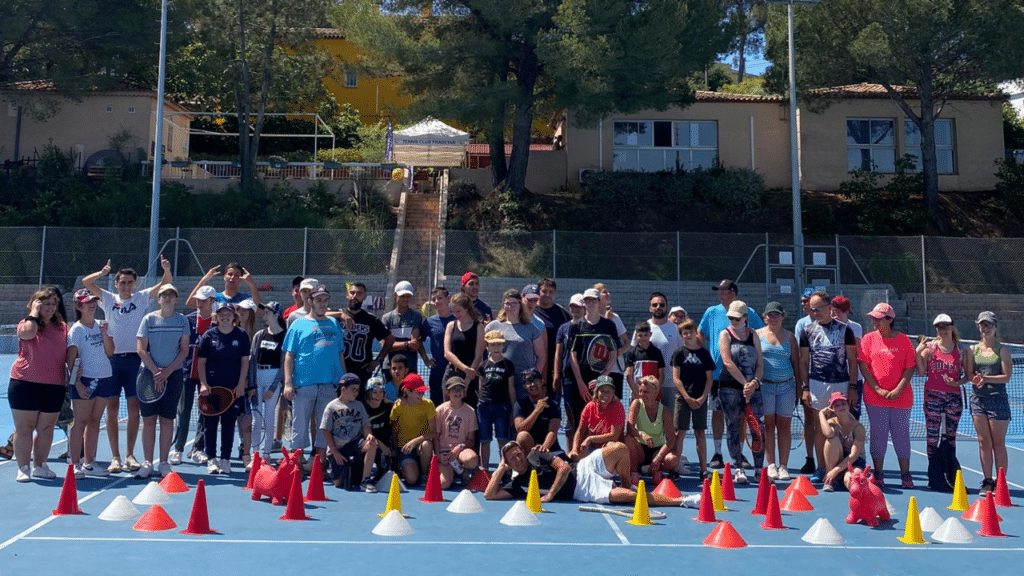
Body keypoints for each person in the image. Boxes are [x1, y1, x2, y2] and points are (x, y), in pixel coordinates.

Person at [82, 256, 172, 474]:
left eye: (129, 282)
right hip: (111, 360)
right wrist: (103, 272)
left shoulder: (141, 298)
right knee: (111, 409)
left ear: (135, 283)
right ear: (116, 283)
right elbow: (87, 283)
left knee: (134, 408)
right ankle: (115, 457)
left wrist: (166, 269)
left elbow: (165, 284)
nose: (125, 286)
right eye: (122, 282)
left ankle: (130, 455)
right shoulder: (108, 298)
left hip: (135, 360)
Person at [485, 440, 693, 507]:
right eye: (513, 458)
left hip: (583, 468)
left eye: (518, 453)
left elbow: (564, 467)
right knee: (632, 498)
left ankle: (625, 481)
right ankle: (681, 501)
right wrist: (502, 468)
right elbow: (489, 495)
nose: (518, 458)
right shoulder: (518, 486)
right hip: (583, 490)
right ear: (509, 463)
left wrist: (550, 495)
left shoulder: (535, 455)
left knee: (620, 448)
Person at [697, 279, 764, 471]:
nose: (720, 293)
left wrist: (753, 381)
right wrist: (705, 355)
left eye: (723, 290)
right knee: (719, 413)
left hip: (747, 379)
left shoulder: (749, 313)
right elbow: (700, 334)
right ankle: (717, 452)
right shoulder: (711, 312)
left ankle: (740, 454)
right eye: (718, 290)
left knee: (743, 417)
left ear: (733, 293)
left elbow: (758, 332)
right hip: (719, 376)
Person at [282, 284, 347, 469]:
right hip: (304, 384)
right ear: (309, 301)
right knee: (300, 426)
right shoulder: (298, 324)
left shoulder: (334, 324)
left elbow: (340, 353)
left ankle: (319, 466)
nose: (322, 304)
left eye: (325, 300)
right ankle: (297, 465)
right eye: (318, 300)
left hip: (329, 384)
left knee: (324, 427)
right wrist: (288, 383)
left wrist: (344, 378)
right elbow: (289, 355)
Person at [9, 287, 68, 482]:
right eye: (45, 304)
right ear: (35, 304)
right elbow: (28, 334)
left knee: (46, 428)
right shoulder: (26, 324)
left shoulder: (62, 328)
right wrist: (34, 314)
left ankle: (40, 465)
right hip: (24, 383)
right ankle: (23, 467)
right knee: (24, 428)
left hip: (54, 385)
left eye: (53, 304)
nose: (50, 308)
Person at [798, 291, 858, 484]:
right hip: (817, 384)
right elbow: (804, 361)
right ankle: (821, 467)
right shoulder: (806, 331)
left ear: (829, 307)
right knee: (819, 428)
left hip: (840, 383)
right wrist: (805, 388)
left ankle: (838, 467)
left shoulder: (845, 330)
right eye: (813, 309)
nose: (815, 312)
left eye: (819, 308)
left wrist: (852, 387)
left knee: (840, 426)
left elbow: (852, 360)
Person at [858, 302, 916, 488]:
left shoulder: (904, 340)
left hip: (902, 398)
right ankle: (879, 473)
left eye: (878, 318)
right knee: (878, 435)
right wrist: (877, 389)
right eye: (873, 318)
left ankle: (905, 474)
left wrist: (898, 390)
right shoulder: (868, 339)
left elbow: (909, 368)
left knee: (901, 436)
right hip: (875, 398)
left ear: (890, 319)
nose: (874, 321)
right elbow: (863, 366)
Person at [135, 284, 190, 478]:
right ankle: (148, 463)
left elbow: (184, 350)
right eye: (163, 295)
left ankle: (164, 463)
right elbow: (141, 349)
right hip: (148, 375)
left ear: (176, 299)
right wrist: (155, 371)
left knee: (167, 420)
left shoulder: (182, 320)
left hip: (173, 376)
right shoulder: (148, 319)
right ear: (158, 299)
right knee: (148, 420)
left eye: (171, 295)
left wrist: (166, 372)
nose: (167, 298)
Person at [65, 289, 115, 478]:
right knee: (80, 422)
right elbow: (71, 360)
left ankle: (90, 462)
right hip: (85, 380)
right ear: (78, 306)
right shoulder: (77, 330)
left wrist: (104, 334)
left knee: (95, 422)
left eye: (93, 301)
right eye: (87, 302)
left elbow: (110, 352)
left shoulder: (102, 325)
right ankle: (74, 464)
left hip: (105, 377)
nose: (92, 304)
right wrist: (77, 384)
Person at [196, 302, 250, 474]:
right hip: (211, 390)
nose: (224, 317)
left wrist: (241, 384)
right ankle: (211, 459)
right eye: (221, 314)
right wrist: (204, 384)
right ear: (216, 316)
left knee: (228, 425)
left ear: (234, 317)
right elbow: (201, 362)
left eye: (228, 314)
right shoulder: (208, 336)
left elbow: (244, 361)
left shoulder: (241, 335)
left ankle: (225, 459)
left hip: (233, 390)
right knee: (210, 425)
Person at [564, 288, 624, 439]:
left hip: (600, 382)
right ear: (583, 303)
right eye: (587, 300)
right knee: (579, 422)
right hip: (579, 382)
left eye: (594, 300)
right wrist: (579, 382)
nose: (590, 303)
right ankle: (578, 458)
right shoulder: (575, 326)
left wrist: (602, 378)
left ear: (599, 302)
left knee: (602, 420)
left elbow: (613, 353)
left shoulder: (609, 326)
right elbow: (572, 354)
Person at [718, 300, 764, 484]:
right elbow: (727, 362)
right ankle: (738, 468)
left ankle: (759, 469)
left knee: (758, 428)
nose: (733, 321)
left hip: (753, 389)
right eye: (730, 317)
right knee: (734, 427)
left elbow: (760, 363)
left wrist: (754, 383)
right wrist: (745, 383)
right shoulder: (725, 334)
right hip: (730, 388)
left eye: (737, 318)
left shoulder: (753, 335)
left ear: (745, 318)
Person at [968, 311, 1012, 494]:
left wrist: (986, 379)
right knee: (983, 441)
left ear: (995, 327)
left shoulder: (1002, 350)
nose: (985, 328)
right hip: (978, 400)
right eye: (982, 325)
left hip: (998, 400)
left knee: (998, 443)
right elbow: (969, 374)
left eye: (989, 325)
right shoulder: (972, 350)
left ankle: (1000, 482)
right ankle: (987, 481)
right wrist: (975, 379)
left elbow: (1006, 377)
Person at [756, 301, 799, 481]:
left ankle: (784, 466)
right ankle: (771, 465)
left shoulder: (790, 337)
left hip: (787, 387)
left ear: (783, 316)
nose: (773, 318)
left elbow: (796, 364)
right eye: (770, 315)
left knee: (784, 426)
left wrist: (799, 389)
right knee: (767, 427)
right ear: (764, 317)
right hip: (765, 387)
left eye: (777, 314)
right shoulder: (757, 335)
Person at [916, 314, 968, 464]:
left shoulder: (961, 350)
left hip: (953, 398)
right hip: (933, 397)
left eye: (945, 326)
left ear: (952, 327)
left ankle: (949, 467)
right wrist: (918, 354)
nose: (942, 330)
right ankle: (934, 471)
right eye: (939, 327)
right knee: (932, 437)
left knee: (951, 437)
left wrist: (956, 383)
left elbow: (968, 376)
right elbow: (921, 372)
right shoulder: (930, 348)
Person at [173, 284, 216, 465]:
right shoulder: (186, 320)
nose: (199, 302)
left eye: (204, 299)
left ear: (212, 301)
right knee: (183, 411)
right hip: (187, 373)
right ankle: (178, 449)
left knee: (205, 412)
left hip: (209, 376)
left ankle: (199, 448)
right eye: (198, 298)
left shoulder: (217, 323)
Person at [672, 319, 716, 479]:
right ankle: (675, 468)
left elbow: (709, 378)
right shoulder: (678, 353)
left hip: (700, 399)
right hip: (683, 399)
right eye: (684, 333)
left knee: (700, 433)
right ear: (681, 335)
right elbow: (676, 378)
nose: (688, 335)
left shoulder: (704, 353)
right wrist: (687, 397)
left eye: (690, 332)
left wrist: (703, 397)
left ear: (695, 332)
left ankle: (703, 470)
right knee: (680, 433)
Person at [320, 373, 379, 492]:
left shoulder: (359, 405)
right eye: (353, 389)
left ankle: (365, 480)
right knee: (338, 483)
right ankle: (346, 472)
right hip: (338, 447)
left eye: (357, 390)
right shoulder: (331, 407)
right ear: (343, 389)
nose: (356, 393)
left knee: (372, 444)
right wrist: (335, 452)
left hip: (355, 444)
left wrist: (369, 435)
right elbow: (326, 431)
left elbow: (366, 425)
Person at [485, 288, 544, 400]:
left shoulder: (531, 328)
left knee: (520, 415)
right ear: (503, 305)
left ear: (520, 305)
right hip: (499, 378)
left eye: (514, 303)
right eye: (507, 303)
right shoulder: (492, 327)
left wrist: (533, 378)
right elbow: (483, 352)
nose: (510, 306)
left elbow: (541, 355)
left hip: (522, 381)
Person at [247, 301, 286, 460]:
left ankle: (267, 454)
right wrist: (251, 384)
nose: (264, 314)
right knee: (256, 418)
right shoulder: (259, 335)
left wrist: (273, 388)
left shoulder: (285, 335)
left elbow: (284, 365)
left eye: (268, 311)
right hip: (258, 375)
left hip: (273, 376)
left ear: (276, 314)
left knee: (269, 418)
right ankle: (255, 454)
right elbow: (252, 360)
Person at [626, 375, 679, 482]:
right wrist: (642, 435)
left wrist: (658, 457)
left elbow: (671, 440)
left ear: (656, 393)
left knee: (673, 460)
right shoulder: (636, 404)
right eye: (640, 391)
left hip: (656, 450)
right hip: (639, 450)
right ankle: (635, 471)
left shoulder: (665, 411)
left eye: (646, 392)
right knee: (627, 439)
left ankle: (653, 468)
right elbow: (629, 428)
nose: (641, 395)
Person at [340, 282, 393, 388]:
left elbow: (390, 339)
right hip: (339, 370)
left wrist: (378, 360)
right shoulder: (337, 315)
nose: (354, 296)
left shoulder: (371, 320)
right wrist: (342, 315)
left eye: (359, 293)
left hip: (361, 371)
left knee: (358, 403)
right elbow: (320, 315)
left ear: (364, 296)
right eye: (352, 293)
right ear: (347, 295)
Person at [477, 330, 516, 471]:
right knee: (485, 440)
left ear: (503, 346)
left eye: (499, 344)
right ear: (487, 346)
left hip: (502, 406)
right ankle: (485, 470)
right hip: (485, 406)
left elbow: (511, 388)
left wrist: (513, 409)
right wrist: (480, 403)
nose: (496, 347)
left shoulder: (508, 364)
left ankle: (503, 469)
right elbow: (480, 387)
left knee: (502, 439)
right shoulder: (483, 365)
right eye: (493, 344)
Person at [432, 377, 480, 488]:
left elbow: (471, 440)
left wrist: (459, 448)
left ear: (464, 392)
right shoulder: (440, 410)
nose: (457, 392)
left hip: (460, 451)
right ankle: (451, 472)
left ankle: (463, 470)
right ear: (447, 392)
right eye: (454, 389)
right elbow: (435, 436)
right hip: (444, 453)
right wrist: (438, 455)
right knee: (443, 484)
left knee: (472, 460)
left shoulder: (470, 411)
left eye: (460, 389)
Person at [390, 373, 436, 486]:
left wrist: (415, 441)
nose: (421, 395)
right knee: (411, 480)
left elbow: (433, 432)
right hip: (405, 448)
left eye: (423, 392)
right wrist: (395, 450)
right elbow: (393, 428)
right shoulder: (398, 407)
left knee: (427, 445)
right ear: (407, 392)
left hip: (420, 446)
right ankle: (408, 467)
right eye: (418, 392)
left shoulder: (428, 404)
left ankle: (424, 475)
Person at [443, 292, 485, 407]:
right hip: (452, 373)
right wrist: (465, 369)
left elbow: (478, 355)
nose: (455, 314)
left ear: (466, 309)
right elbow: (447, 353)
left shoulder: (478, 326)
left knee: (469, 411)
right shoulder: (451, 325)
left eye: (458, 311)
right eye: (453, 311)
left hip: (470, 377)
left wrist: (468, 378)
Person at [569, 375, 625, 462]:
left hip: (608, 447)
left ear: (613, 392)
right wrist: (574, 450)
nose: (605, 394)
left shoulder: (618, 407)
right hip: (591, 447)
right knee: (575, 455)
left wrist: (590, 438)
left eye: (608, 391)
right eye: (602, 391)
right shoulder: (589, 406)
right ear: (596, 392)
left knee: (611, 446)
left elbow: (614, 436)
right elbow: (580, 431)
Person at [818, 392, 867, 492]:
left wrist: (835, 470)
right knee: (831, 439)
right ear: (832, 409)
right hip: (838, 458)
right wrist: (821, 414)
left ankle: (839, 476)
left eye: (843, 403)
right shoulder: (832, 422)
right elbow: (828, 433)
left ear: (848, 405)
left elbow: (854, 455)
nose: (841, 406)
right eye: (837, 405)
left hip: (855, 461)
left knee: (851, 480)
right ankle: (831, 480)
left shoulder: (858, 427)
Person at [382, 280, 430, 378]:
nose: (405, 299)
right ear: (395, 295)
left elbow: (415, 345)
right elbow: (386, 346)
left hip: (410, 367)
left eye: (408, 296)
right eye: (402, 296)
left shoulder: (416, 317)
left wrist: (425, 359)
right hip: (390, 367)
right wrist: (406, 344)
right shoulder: (386, 318)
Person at [792, 286, 817, 474]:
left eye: (806, 301)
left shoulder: (830, 322)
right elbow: (801, 356)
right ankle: (810, 459)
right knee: (810, 421)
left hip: (828, 380)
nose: (803, 304)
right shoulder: (801, 324)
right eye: (801, 301)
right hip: (809, 380)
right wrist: (802, 383)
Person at [531, 278, 571, 391]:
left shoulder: (562, 313)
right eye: (544, 291)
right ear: (538, 291)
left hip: (555, 368)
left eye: (550, 291)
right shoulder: (531, 312)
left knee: (553, 404)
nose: (547, 294)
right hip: (535, 366)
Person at [552, 293, 584, 422]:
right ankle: (570, 442)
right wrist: (556, 376)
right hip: (568, 376)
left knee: (585, 413)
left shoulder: (589, 327)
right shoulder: (563, 328)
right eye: (572, 307)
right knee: (570, 414)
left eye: (578, 307)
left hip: (586, 376)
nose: (575, 310)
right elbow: (558, 354)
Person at [593, 283, 629, 399]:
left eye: (607, 291)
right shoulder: (592, 318)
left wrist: (617, 353)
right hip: (598, 369)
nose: (608, 294)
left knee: (616, 403)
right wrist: (607, 321)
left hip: (616, 369)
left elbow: (627, 343)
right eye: (604, 292)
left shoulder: (616, 317)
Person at [513, 369, 562, 454]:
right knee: (522, 436)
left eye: (535, 380)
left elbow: (552, 431)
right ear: (524, 386)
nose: (533, 384)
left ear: (542, 381)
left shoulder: (553, 404)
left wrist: (543, 449)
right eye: (528, 382)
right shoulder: (520, 404)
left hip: (549, 450)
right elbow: (520, 428)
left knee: (566, 466)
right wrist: (537, 411)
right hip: (528, 450)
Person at [831, 295, 864, 420]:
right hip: (834, 379)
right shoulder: (826, 327)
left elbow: (855, 353)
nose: (833, 313)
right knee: (833, 416)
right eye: (832, 310)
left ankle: (853, 440)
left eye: (836, 311)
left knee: (853, 416)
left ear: (845, 311)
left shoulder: (856, 327)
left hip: (854, 379)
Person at [421, 286, 455, 406]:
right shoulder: (429, 322)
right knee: (437, 407)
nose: (437, 302)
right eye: (434, 299)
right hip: (437, 373)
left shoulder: (458, 319)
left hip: (455, 372)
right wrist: (425, 359)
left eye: (440, 298)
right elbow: (418, 341)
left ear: (448, 299)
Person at [362, 377, 394, 482]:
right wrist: (381, 445)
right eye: (374, 392)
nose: (378, 396)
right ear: (368, 393)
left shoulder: (389, 406)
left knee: (386, 465)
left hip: (385, 444)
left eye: (381, 392)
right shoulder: (362, 407)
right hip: (366, 443)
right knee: (356, 474)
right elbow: (361, 431)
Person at [624, 321, 666, 401]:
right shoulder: (632, 353)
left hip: (654, 395)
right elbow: (629, 376)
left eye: (646, 335)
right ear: (636, 336)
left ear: (650, 334)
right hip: (637, 393)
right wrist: (637, 394)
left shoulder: (657, 352)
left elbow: (661, 375)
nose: (643, 338)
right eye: (640, 335)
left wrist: (655, 391)